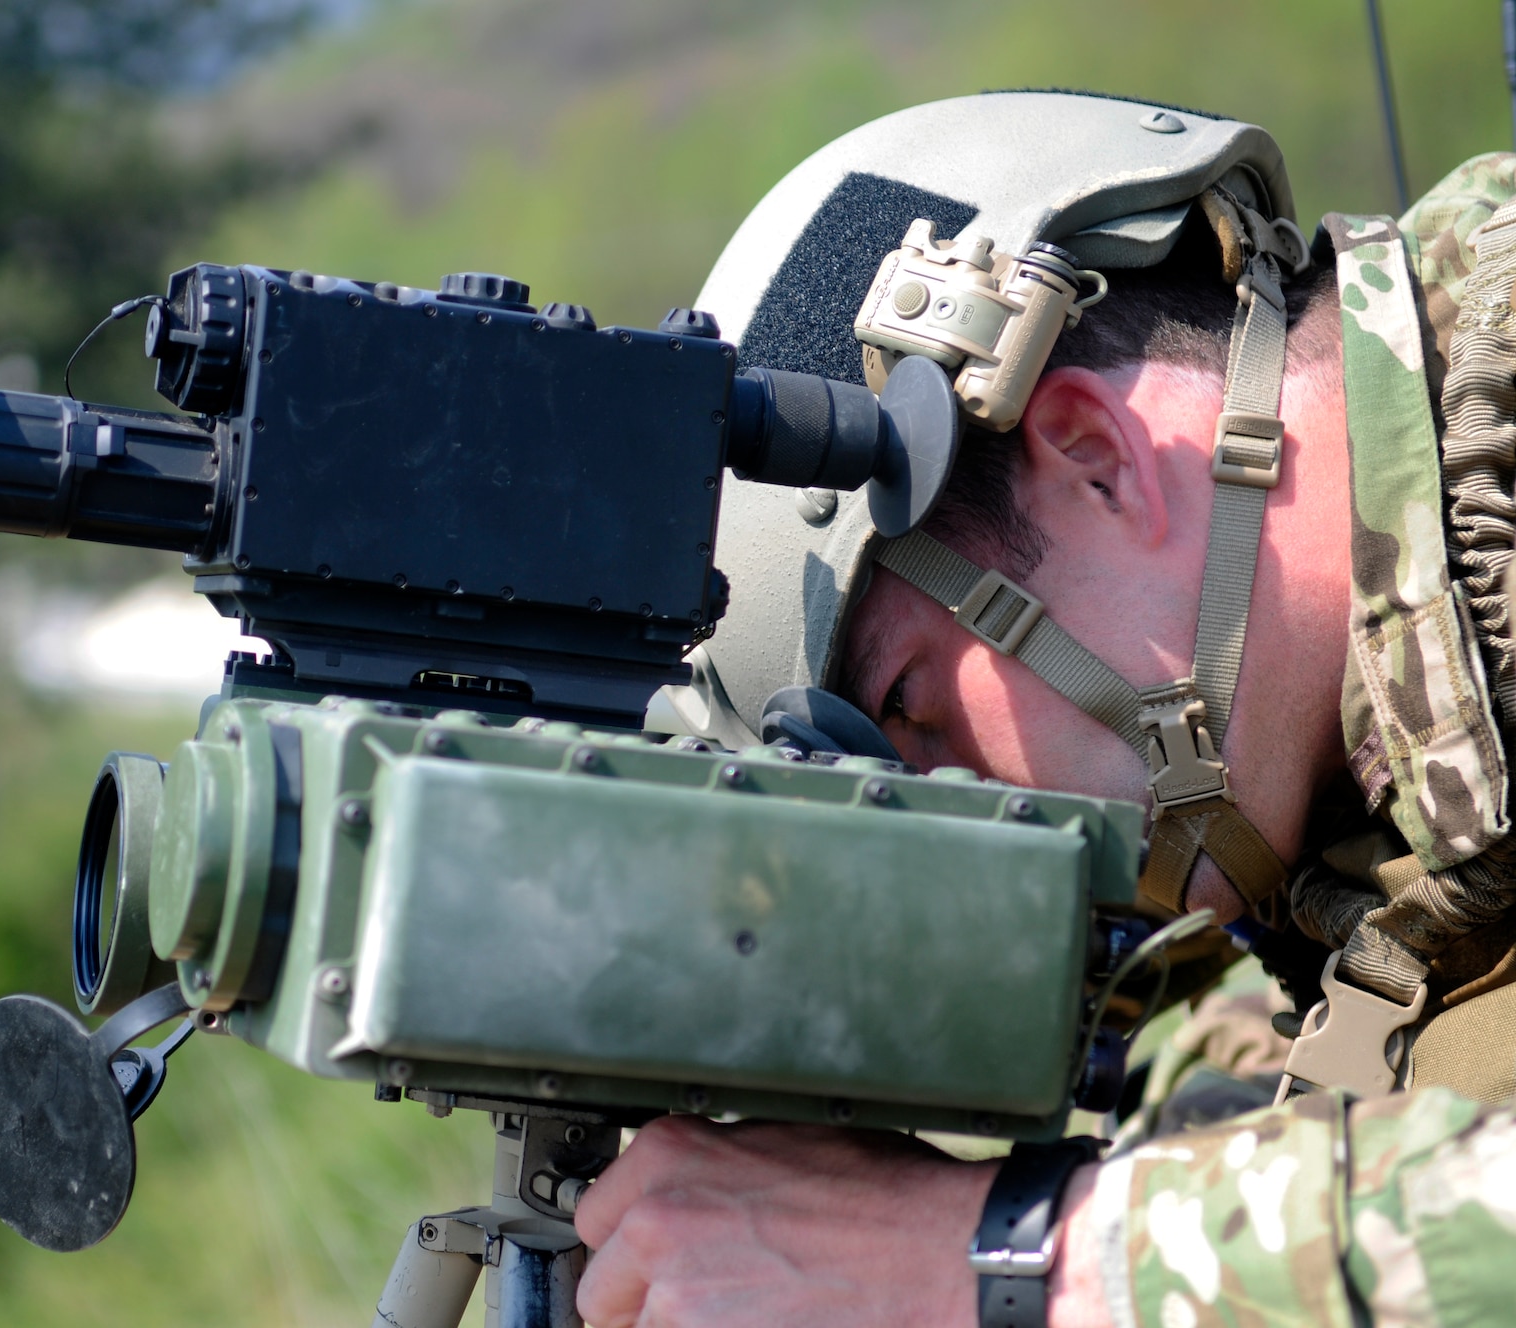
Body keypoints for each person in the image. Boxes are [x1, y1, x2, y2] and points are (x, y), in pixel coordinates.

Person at [578, 92, 1516, 1325]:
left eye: (909, 710)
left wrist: (1016, 1253)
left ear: (1092, 460)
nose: (952, 817)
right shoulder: (1344, 851)